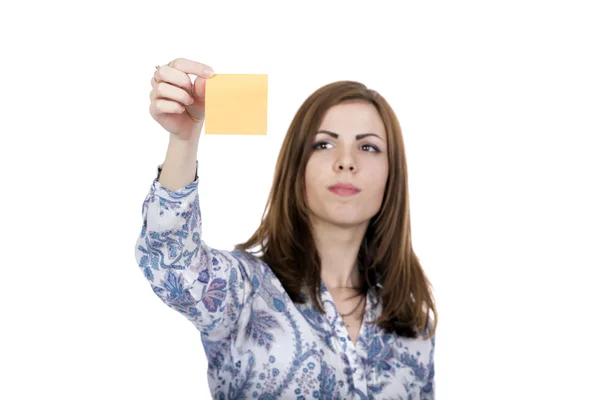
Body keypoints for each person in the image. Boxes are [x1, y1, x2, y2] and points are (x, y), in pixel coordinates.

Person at [135, 57, 438, 399]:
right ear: (298, 167)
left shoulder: (413, 326)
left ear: (390, 174)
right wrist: (184, 140)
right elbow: (170, 261)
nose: (346, 160)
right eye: (324, 143)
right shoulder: (245, 293)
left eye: (368, 146)